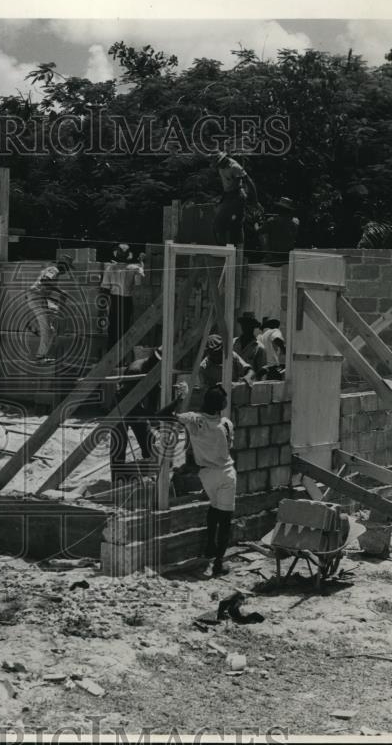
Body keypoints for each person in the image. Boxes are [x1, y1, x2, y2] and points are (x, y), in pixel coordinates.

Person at [158, 382, 237, 577]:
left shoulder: (193, 420)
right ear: (221, 405)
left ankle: (210, 546)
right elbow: (230, 446)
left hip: (206, 475)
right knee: (225, 519)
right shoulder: (226, 424)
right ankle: (219, 562)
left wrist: (180, 398)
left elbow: (162, 415)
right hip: (225, 473)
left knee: (213, 507)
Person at [108, 347, 161, 479]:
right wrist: (148, 415)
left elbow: (154, 393)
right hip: (120, 406)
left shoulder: (154, 370)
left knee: (148, 438)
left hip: (136, 406)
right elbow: (128, 399)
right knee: (120, 442)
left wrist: (153, 415)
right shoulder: (136, 370)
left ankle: (150, 470)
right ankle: (117, 476)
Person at [99, 244, 145, 362]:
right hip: (126, 301)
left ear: (116, 254)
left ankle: (110, 359)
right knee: (124, 329)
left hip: (114, 300)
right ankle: (122, 359)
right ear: (129, 255)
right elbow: (138, 283)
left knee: (113, 330)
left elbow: (105, 288)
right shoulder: (134, 268)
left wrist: (102, 308)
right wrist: (141, 264)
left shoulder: (110, 268)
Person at [26, 257, 72, 363]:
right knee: (48, 330)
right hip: (37, 297)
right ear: (63, 265)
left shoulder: (53, 271)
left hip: (37, 297)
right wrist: (61, 292)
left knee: (54, 313)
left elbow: (44, 286)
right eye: (68, 267)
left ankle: (35, 326)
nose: (68, 270)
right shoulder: (54, 269)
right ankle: (40, 357)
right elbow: (44, 281)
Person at [211, 151, 258, 247]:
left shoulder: (235, 167)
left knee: (235, 225)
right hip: (228, 196)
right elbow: (227, 185)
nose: (219, 166)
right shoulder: (220, 167)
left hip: (237, 196)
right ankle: (223, 248)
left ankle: (237, 250)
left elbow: (248, 181)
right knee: (218, 224)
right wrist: (222, 198)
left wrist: (255, 200)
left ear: (225, 159)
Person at [261, 197, 300, 266]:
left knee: (263, 235)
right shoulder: (294, 224)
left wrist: (257, 224)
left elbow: (260, 232)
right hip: (287, 260)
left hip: (272, 260)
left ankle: (266, 255)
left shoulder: (271, 222)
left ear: (279, 209)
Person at [234, 312, 268, 377]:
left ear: (253, 326)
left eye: (249, 324)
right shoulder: (233, 343)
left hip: (249, 384)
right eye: (244, 324)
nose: (245, 327)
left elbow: (262, 372)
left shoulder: (259, 348)